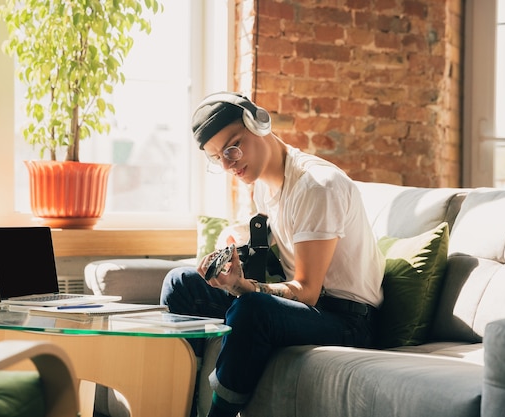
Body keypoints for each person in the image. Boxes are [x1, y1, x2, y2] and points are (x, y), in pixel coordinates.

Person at [160, 92, 385, 417]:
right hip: (309, 307)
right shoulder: (266, 188)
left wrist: (242, 287)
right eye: (216, 158)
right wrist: (235, 243)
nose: (227, 164)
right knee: (180, 282)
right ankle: (182, 402)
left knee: (251, 308)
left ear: (260, 124)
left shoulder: (317, 186)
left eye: (232, 147)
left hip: (349, 321)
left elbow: (307, 291)